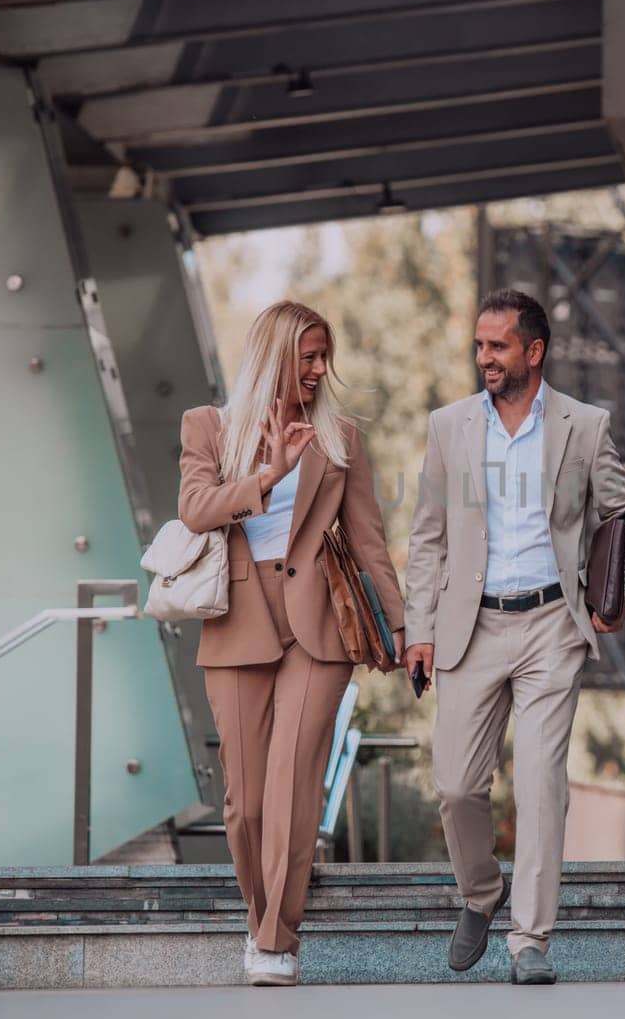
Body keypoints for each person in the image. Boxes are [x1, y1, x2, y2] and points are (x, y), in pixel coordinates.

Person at [404, 288, 625, 986]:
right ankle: (482, 894)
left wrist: (619, 595)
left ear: (533, 352)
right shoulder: (449, 427)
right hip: (469, 626)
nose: (484, 356)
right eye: (480, 345)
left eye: (498, 345)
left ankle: (530, 939)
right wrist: (418, 628)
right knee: (455, 785)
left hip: (552, 626)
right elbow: (427, 539)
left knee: (541, 784)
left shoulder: (585, 425)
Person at [177, 299, 404, 987]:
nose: (319, 368)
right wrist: (269, 473)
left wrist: (400, 626)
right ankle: (259, 917)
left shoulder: (342, 437)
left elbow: (367, 539)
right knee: (245, 799)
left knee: (294, 780)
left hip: (319, 623)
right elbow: (195, 509)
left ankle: (277, 938)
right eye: (307, 355)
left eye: (322, 356)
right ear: (275, 355)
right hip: (238, 618)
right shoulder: (208, 426)